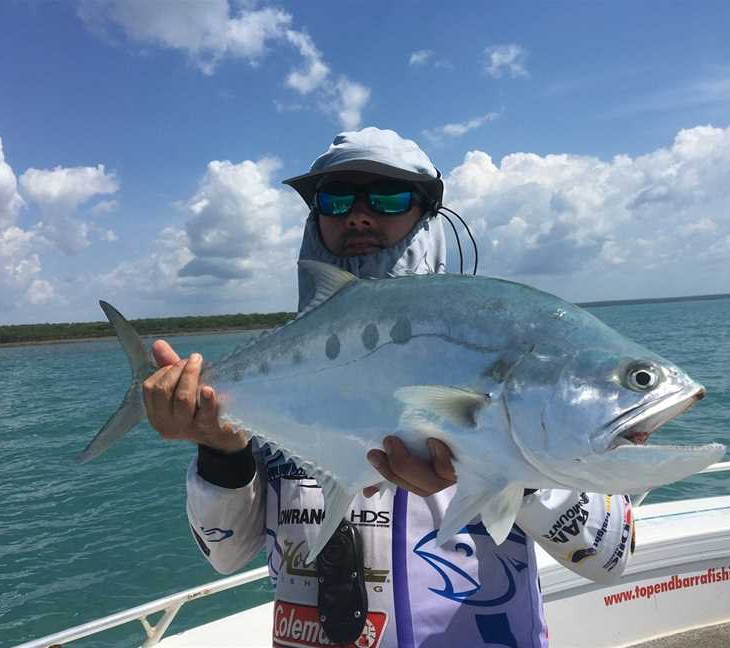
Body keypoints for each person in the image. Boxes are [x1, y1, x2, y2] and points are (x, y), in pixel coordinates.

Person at [143, 128, 634, 647]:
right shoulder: (284, 370)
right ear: (315, 220)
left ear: (427, 214)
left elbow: (610, 554)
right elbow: (224, 553)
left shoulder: (504, 346)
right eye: (335, 200)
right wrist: (221, 451)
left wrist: (516, 470)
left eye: (388, 197)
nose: (358, 215)